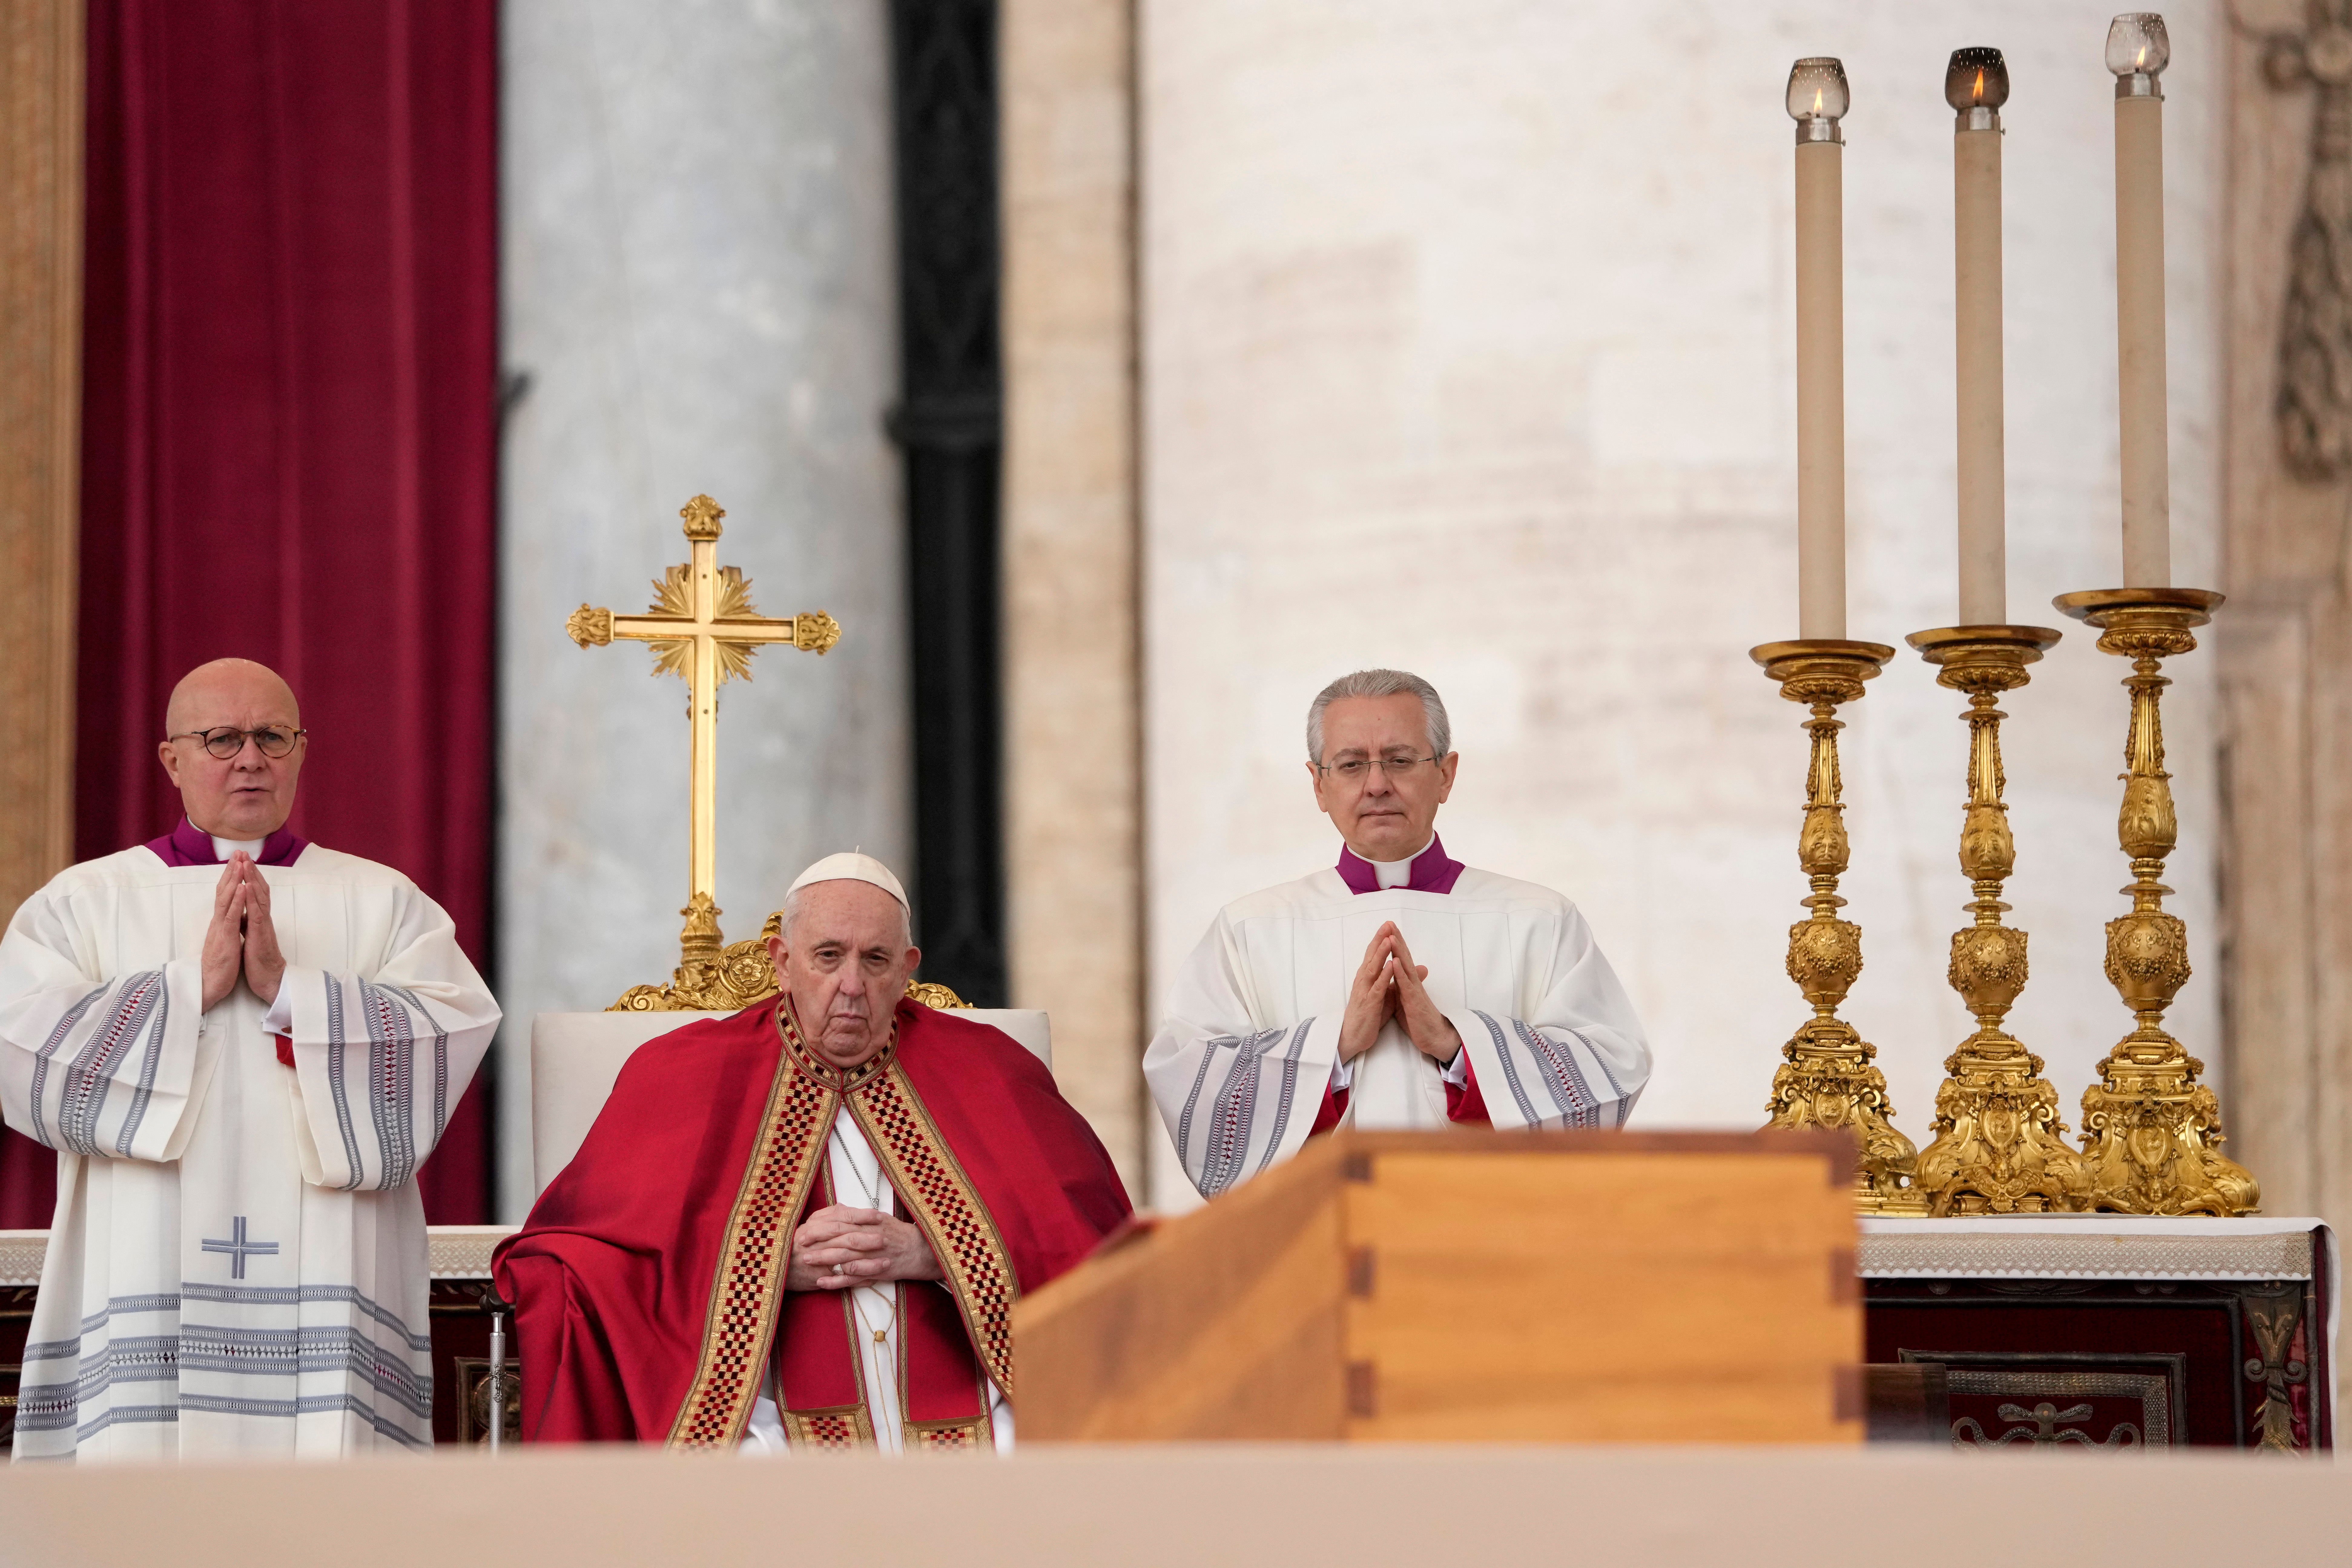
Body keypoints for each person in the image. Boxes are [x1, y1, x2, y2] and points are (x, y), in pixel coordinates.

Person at [0, 658, 500, 1458]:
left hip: (326, 1279)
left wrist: (290, 989)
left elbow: (448, 1030)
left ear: (301, 751)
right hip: (145, 1257)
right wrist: (183, 990)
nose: (249, 758)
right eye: (221, 737)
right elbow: (20, 1047)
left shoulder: (382, 901)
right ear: (171, 758)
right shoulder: (83, 902)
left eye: (271, 736)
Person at [494, 852, 1130, 1452]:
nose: (851, 985)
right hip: (760, 1395)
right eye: (828, 956)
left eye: (876, 959)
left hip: (969, 1380)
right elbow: (575, 1254)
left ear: (909, 967)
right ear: (782, 960)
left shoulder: (991, 1070)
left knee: (1036, 1457)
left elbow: (1093, 1245)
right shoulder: (681, 1073)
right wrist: (764, 1266)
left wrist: (936, 1251)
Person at [1146, 668, 1651, 1199]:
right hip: (1319, 1235)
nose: (1376, 783)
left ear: (1446, 775)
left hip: (1489, 1232)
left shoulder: (1538, 919)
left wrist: (1459, 1048)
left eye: (1400, 760)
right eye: (1350, 764)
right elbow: (1191, 1083)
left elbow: (1611, 1065)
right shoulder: (1250, 929)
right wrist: (1336, 1044)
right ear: (1319, 785)